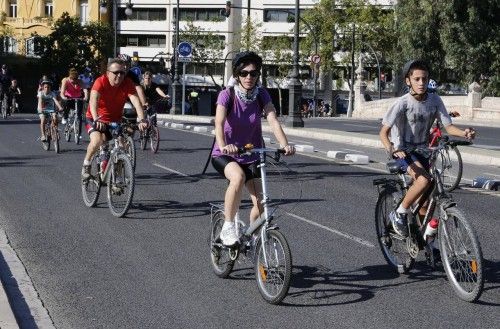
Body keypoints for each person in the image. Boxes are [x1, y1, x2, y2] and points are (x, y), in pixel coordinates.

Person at [379, 59, 475, 237]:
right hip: (404, 152)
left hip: (423, 152)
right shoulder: (402, 103)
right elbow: (383, 132)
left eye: (424, 79)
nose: (421, 83)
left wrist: (464, 134)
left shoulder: (435, 100)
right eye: (417, 79)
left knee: (425, 202)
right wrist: (391, 149)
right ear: (408, 81)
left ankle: (427, 244)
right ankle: (399, 212)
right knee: (423, 180)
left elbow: (448, 126)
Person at [211, 51, 295, 246]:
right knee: (238, 177)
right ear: (237, 74)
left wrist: (285, 145)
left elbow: (273, 119)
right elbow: (219, 123)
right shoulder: (227, 95)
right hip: (226, 154)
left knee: (261, 201)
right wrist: (224, 146)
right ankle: (229, 225)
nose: (249, 77)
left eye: (253, 73)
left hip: (251, 154)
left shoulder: (261, 94)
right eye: (244, 73)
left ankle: (252, 236)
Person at [81, 58, 147, 180]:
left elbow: (135, 101)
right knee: (97, 141)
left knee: (121, 147)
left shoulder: (127, 83)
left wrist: (141, 119)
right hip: (95, 118)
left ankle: (116, 178)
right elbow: (93, 100)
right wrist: (96, 119)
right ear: (108, 73)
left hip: (115, 120)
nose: (119, 75)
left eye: (122, 73)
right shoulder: (100, 81)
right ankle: (87, 165)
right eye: (116, 72)